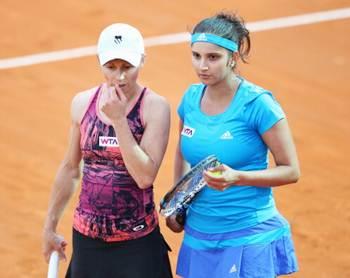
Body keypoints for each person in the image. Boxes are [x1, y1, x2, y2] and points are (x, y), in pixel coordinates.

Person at [166, 12, 300, 278]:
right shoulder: (191, 98)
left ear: (233, 58)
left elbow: (291, 170)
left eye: (213, 57)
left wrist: (238, 177)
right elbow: (182, 151)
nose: (202, 66)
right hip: (199, 234)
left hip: (247, 235)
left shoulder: (258, 104)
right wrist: (177, 203)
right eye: (196, 56)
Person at [42, 23, 173, 278]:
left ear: (142, 61)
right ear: (99, 62)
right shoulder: (83, 103)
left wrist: (120, 121)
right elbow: (70, 168)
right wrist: (49, 227)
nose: (119, 77)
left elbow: (145, 176)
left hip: (136, 245)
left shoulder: (155, 107)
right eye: (111, 67)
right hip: (87, 241)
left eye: (127, 67)